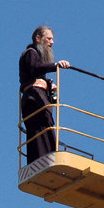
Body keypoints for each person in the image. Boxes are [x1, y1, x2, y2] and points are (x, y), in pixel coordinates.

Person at [18, 26, 71, 165]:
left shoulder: (36, 56)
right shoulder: (31, 53)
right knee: (39, 130)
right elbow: (34, 68)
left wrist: (48, 84)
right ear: (38, 38)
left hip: (38, 98)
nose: (52, 42)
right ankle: (43, 161)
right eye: (48, 38)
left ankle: (48, 158)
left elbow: (36, 72)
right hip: (34, 99)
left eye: (52, 39)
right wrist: (56, 65)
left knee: (45, 129)